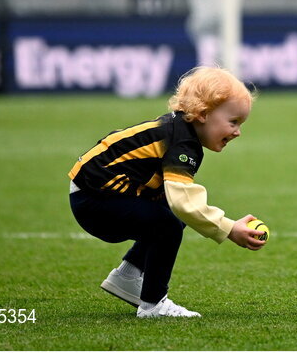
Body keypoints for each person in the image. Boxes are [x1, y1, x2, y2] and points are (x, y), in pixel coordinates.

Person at [68, 66, 267, 318]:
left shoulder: (178, 130)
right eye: (233, 121)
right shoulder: (182, 143)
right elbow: (183, 201)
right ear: (204, 113)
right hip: (95, 199)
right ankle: (153, 305)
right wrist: (229, 228)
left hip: (93, 193)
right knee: (168, 224)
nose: (238, 131)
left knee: (171, 216)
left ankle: (127, 277)